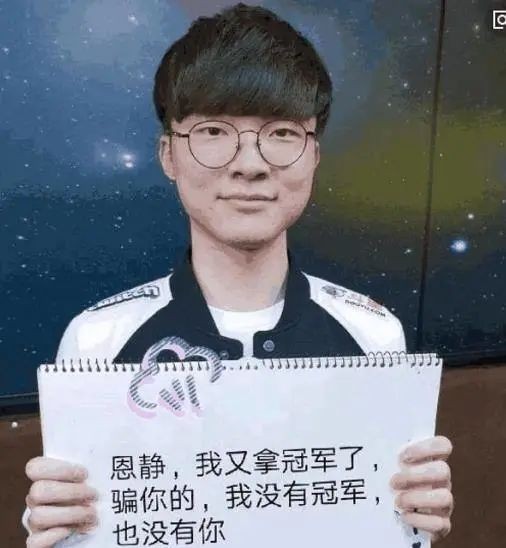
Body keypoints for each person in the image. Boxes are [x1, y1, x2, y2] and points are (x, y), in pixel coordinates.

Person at [22, 3, 453, 547]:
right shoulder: (97, 340)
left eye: (282, 133)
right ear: (168, 155)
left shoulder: (373, 334)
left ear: (314, 156)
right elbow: (88, 518)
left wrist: (413, 522)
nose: (250, 164)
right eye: (213, 130)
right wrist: (54, 526)